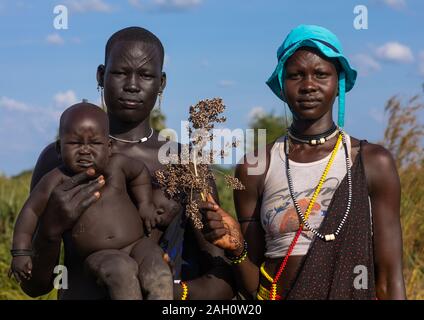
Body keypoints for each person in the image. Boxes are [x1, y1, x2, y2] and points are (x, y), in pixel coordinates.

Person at [19, 27, 235, 300]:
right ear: (101, 75)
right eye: (120, 73)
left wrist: (165, 289)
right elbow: (35, 286)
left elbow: (222, 279)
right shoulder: (58, 158)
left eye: (145, 75)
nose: (132, 85)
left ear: (162, 83)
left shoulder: (184, 165)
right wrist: (50, 229)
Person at [202, 25, 406, 299]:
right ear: (281, 86)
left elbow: (390, 279)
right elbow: (255, 290)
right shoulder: (255, 167)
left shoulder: (371, 163)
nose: (309, 85)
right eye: (296, 75)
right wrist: (237, 250)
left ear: (339, 83)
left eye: (321, 74)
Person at [10, 102, 174, 299]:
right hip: (100, 254)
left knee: (159, 271)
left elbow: (140, 175)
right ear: (59, 147)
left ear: (109, 146)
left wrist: (145, 204)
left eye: (95, 143)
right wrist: (20, 252)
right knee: (120, 274)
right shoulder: (56, 179)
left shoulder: (117, 165)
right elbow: (30, 211)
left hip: (138, 244)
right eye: (75, 143)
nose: (85, 150)